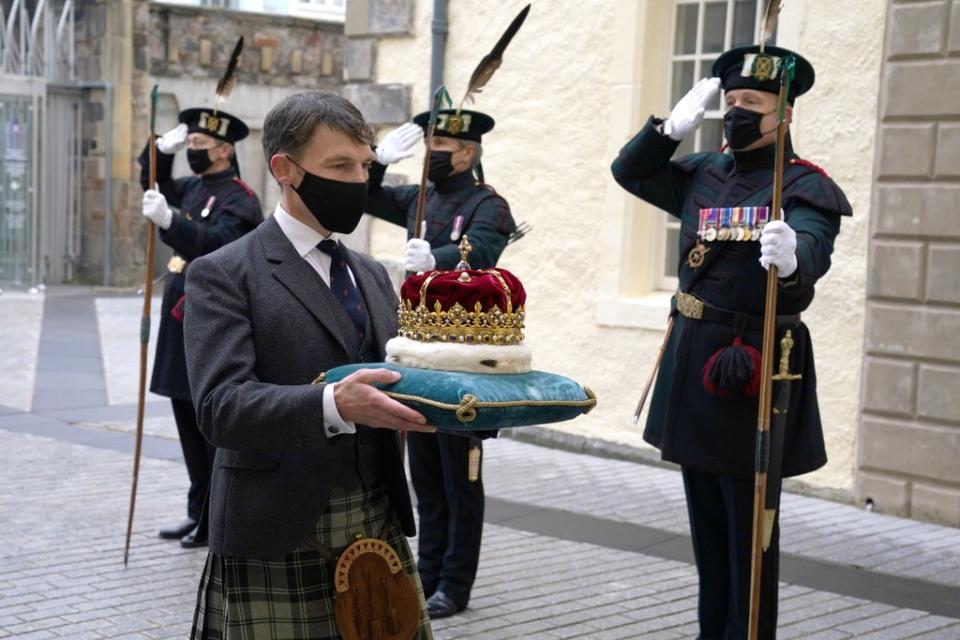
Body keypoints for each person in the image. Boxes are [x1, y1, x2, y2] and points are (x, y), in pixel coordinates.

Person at [611, 45, 852, 639]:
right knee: (708, 527)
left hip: (752, 370)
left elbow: (811, 256)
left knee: (750, 534)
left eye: (754, 103)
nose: (739, 112)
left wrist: (794, 259)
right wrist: (664, 132)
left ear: (784, 114)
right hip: (694, 358)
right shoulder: (701, 172)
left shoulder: (805, 188)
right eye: (733, 101)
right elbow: (630, 173)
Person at [183, 91, 435, 639]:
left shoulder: (370, 274)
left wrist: (468, 401)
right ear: (285, 169)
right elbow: (219, 407)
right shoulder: (225, 273)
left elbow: (403, 378)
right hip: (278, 528)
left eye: (365, 165)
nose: (358, 182)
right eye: (339, 166)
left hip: (376, 523)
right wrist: (332, 404)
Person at [366, 108, 517, 618]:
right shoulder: (421, 198)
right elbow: (365, 196)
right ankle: (426, 574)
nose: (433, 156)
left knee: (461, 479)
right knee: (425, 476)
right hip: (421, 350)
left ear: (469, 152)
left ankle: (454, 584)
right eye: (429, 147)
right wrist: (379, 163)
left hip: (466, 356)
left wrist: (441, 259)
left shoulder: (488, 203)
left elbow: (486, 250)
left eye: (442, 148)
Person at [138, 107, 262, 548]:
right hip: (178, 311)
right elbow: (152, 181)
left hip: (211, 317)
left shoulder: (240, 199)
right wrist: (157, 150)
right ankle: (197, 510)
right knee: (183, 415)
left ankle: (216, 516)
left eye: (198, 146)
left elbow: (218, 246)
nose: (193, 153)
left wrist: (173, 222)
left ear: (225, 151)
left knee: (207, 421)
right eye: (188, 145)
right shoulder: (193, 187)